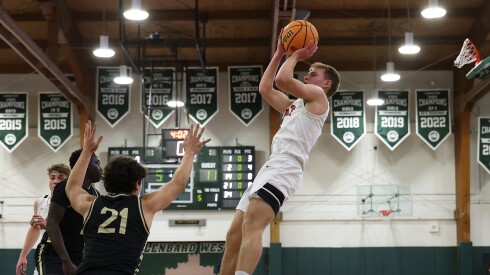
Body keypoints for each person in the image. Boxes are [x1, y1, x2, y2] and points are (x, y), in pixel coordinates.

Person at [219, 31, 340, 275]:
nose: (307, 76)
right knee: (233, 234)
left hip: (286, 168)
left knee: (252, 226)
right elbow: (266, 88)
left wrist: (295, 54)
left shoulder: (319, 98)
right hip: (272, 167)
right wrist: (278, 54)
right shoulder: (294, 106)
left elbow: (284, 80)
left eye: (313, 75)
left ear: (326, 84)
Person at [66, 121, 210, 274]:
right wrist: (189, 154)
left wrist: (86, 151)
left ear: (107, 183)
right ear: (137, 184)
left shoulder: (90, 204)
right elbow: (178, 183)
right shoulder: (144, 206)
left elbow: (72, 187)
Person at [35, 149, 102, 275]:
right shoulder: (65, 187)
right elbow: (51, 224)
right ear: (85, 164)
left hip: (78, 255)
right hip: (53, 253)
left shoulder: (96, 194)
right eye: (97, 163)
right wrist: (65, 261)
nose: (100, 167)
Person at [15, 164, 71, 275]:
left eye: (61, 178)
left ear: (68, 180)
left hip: (69, 253)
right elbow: (35, 229)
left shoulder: (73, 202)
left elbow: (74, 233)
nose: (55, 181)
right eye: (52, 177)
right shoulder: (40, 202)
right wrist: (23, 256)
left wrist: (49, 225)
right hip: (46, 254)